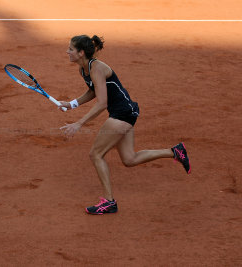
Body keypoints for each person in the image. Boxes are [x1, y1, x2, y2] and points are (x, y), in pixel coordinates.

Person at [59, 35, 190, 215]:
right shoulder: (83, 69)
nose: (67, 52)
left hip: (122, 113)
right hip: (125, 112)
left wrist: (79, 123)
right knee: (130, 159)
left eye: (71, 49)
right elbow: (94, 91)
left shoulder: (97, 68)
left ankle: (109, 202)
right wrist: (72, 104)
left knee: (96, 154)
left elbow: (102, 102)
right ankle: (175, 151)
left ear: (81, 53)